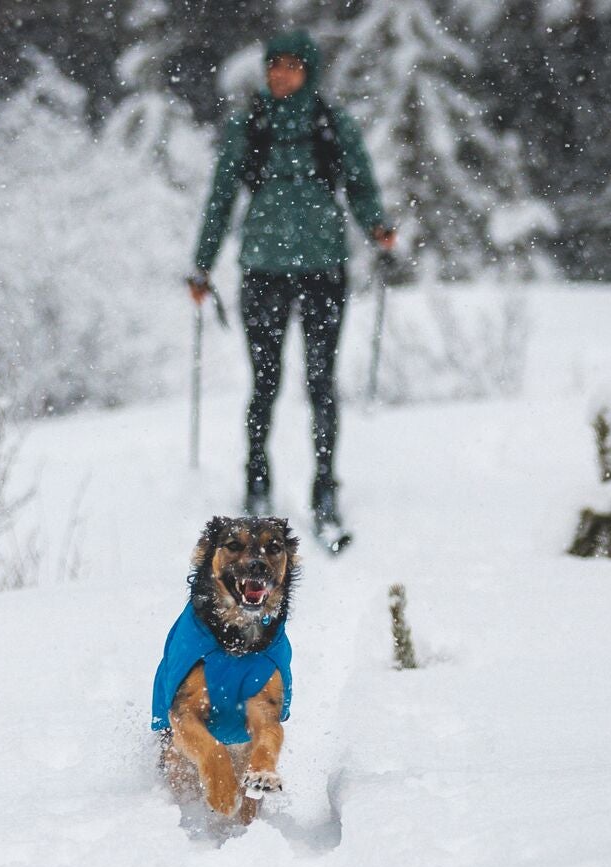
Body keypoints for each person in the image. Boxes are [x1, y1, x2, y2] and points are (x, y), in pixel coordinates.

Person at [187, 31, 396, 544]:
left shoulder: (332, 125)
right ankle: (256, 483)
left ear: (310, 71)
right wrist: (202, 265)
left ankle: (325, 487)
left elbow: (362, 184)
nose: (280, 75)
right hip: (263, 270)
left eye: (291, 66)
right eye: (273, 65)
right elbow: (220, 198)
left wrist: (377, 226)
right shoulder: (248, 126)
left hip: (323, 267)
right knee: (266, 383)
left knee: (321, 383)